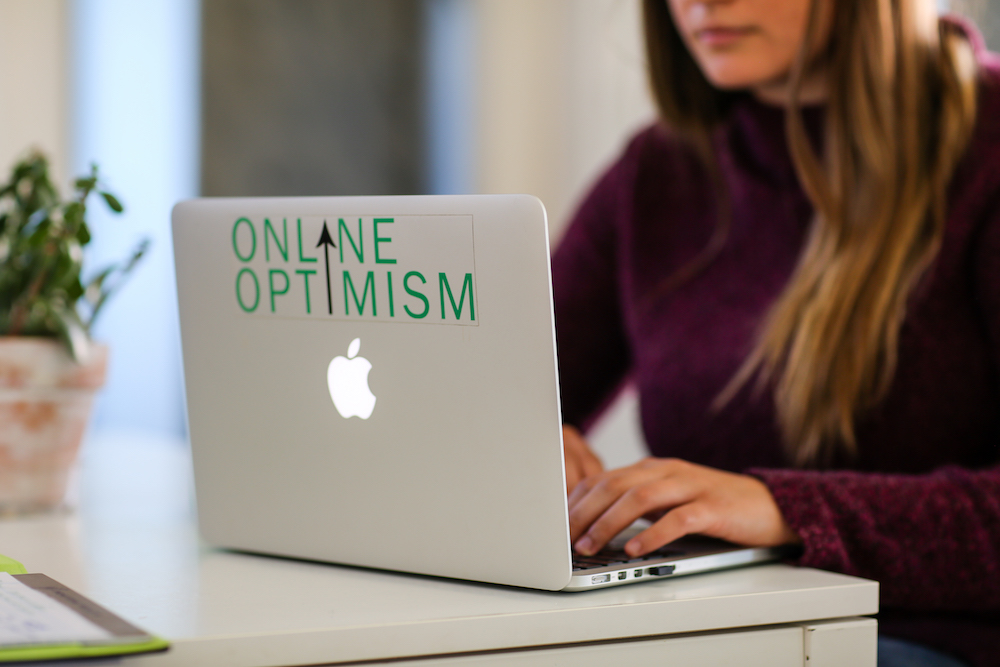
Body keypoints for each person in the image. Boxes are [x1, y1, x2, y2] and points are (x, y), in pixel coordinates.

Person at [553, 1, 1000, 666]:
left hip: (926, 641)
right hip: (719, 631)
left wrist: (787, 511)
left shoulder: (985, 147)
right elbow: (513, 383)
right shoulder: (658, 172)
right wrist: (524, 443)